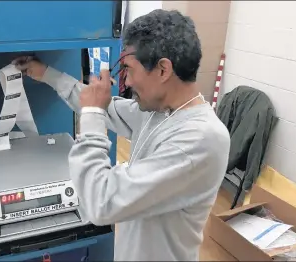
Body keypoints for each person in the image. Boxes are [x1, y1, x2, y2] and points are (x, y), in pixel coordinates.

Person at [14, 9, 230, 261]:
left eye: (128, 68)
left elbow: (100, 202)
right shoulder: (159, 111)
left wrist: (92, 116)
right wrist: (48, 74)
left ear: (163, 70)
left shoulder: (200, 140)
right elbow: (105, 107)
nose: (124, 81)